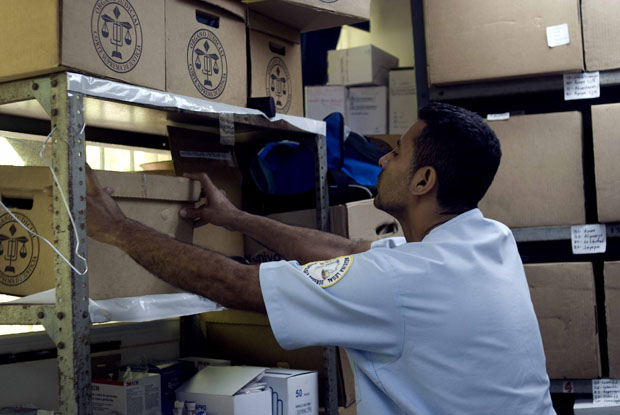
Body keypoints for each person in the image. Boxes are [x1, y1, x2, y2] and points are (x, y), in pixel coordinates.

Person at [86, 102, 556, 415]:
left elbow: (239, 286)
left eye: (396, 152)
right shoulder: (488, 240)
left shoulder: (402, 282)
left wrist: (117, 228)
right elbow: (349, 251)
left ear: (423, 180)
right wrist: (236, 218)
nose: (382, 160)